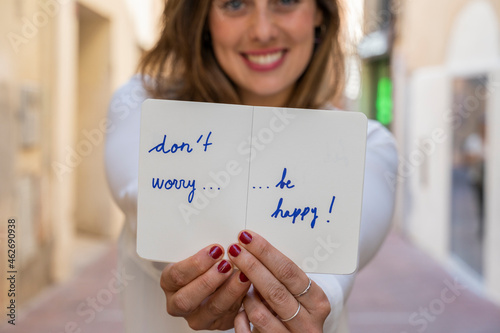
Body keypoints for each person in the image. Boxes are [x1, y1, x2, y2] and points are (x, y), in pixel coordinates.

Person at [105, 0, 398, 332]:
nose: (262, 31)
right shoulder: (143, 107)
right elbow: (145, 204)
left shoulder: (367, 145)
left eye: (286, 2)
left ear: (319, 12)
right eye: (234, 4)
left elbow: (332, 274)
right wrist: (196, 275)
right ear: (202, 17)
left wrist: (313, 301)